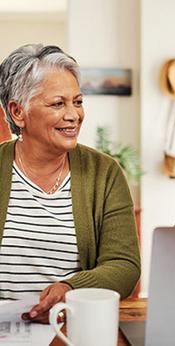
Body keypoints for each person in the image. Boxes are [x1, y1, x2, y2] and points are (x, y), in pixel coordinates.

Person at [0, 44, 140, 323]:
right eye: (57, 103)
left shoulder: (105, 172)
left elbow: (124, 265)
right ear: (18, 112)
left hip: (75, 328)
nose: (74, 115)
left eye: (77, 101)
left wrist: (72, 288)